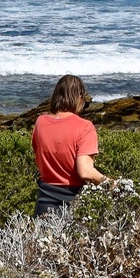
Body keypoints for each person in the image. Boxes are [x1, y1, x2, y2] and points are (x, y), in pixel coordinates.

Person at [32, 74, 108, 216]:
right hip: (71, 204)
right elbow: (85, 172)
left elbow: (39, 156)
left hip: (43, 203)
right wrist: (110, 183)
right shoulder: (85, 127)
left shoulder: (40, 122)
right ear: (79, 98)